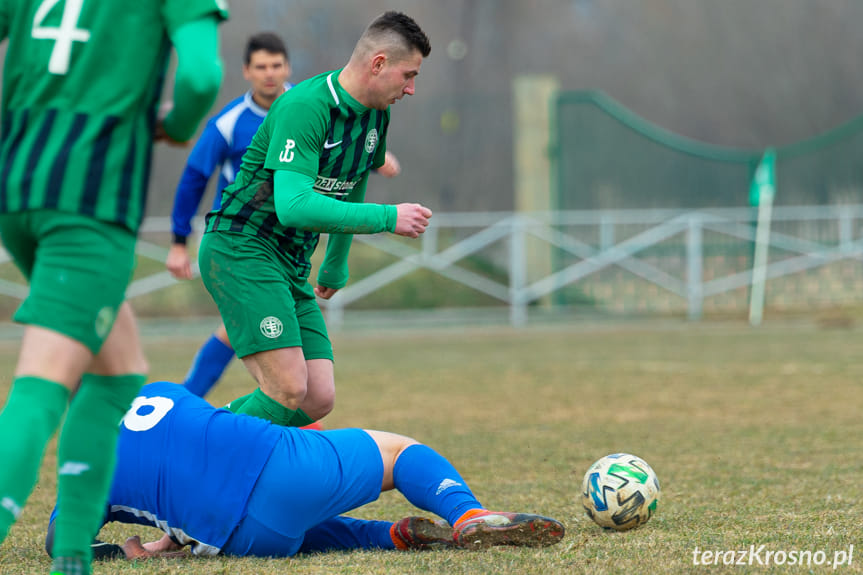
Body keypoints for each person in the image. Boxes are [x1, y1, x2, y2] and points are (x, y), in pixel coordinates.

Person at [0, 2, 227, 574]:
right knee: (43, 382)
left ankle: (73, 554)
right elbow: (201, 76)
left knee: (115, 376)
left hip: (19, 186)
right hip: (88, 205)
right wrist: (174, 128)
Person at [198, 11, 433, 427]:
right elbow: (294, 206)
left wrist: (336, 262)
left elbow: (356, 177)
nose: (411, 89)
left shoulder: (376, 113)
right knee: (287, 387)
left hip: (289, 262)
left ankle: (204, 438)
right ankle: (178, 448)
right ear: (378, 64)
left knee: (317, 396)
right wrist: (387, 217)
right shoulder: (306, 107)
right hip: (242, 247)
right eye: (408, 75)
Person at [44, 382, 565, 559]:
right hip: (274, 464)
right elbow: (199, 442)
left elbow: (56, 544)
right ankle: (467, 513)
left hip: (242, 542)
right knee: (400, 452)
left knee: (294, 530)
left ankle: (395, 537)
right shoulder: (160, 391)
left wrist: (129, 550)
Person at [169, 32, 402, 399]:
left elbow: (340, 165)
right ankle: (190, 404)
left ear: (287, 67)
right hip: (244, 242)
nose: (269, 74)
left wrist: (373, 158)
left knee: (303, 376)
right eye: (260, 66)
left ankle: (277, 415)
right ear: (246, 71)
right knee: (279, 365)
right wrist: (178, 241)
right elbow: (195, 176)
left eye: (276, 65)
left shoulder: (320, 106)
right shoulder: (231, 123)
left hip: (292, 252)